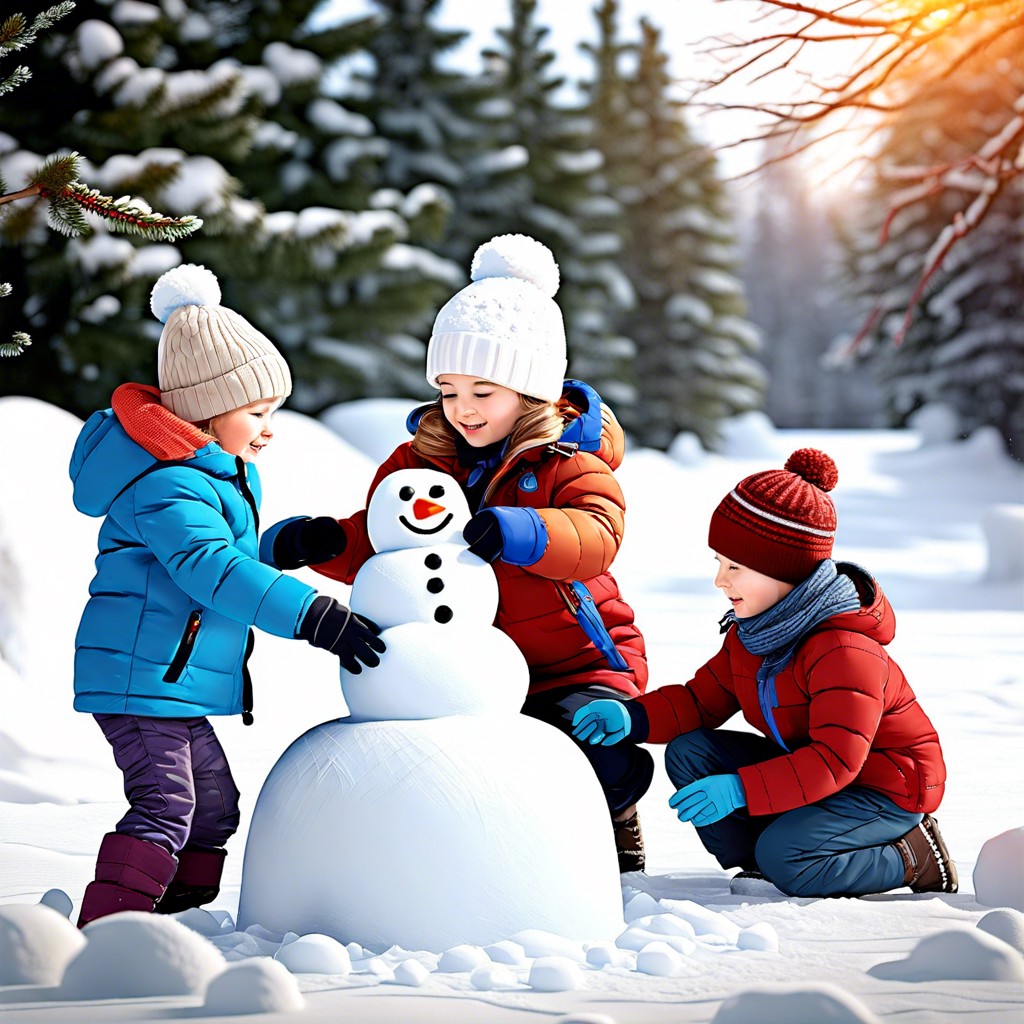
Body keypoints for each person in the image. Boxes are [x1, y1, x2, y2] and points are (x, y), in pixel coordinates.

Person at [265, 234, 654, 871]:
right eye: (448, 390)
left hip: (575, 661)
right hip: (472, 662)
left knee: (581, 745)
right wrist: (323, 541)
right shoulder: (424, 459)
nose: (462, 409)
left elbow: (596, 534)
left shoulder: (569, 462)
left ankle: (613, 819)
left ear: (529, 391)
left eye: (483, 392)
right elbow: (386, 536)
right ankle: (480, 857)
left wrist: (523, 531)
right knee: (471, 761)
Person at [70, 264, 386, 927]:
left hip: (170, 676)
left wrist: (288, 546)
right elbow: (207, 566)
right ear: (207, 411)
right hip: (140, 673)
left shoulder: (211, 473)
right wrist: (311, 614)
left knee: (214, 806)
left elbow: (227, 557)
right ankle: (108, 935)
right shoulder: (167, 483)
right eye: (257, 412)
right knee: (166, 804)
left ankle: (176, 918)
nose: (269, 428)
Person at [572, 448, 957, 898]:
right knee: (690, 752)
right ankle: (769, 861)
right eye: (719, 562)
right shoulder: (754, 633)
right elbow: (701, 700)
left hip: (884, 788)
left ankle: (912, 856)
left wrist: (740, 789)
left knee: (788, 857)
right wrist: (632, 717)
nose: (721, 580)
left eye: (735, 567)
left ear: (785, 572)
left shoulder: (844, 651)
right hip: (816, 774)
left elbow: (836, 759)